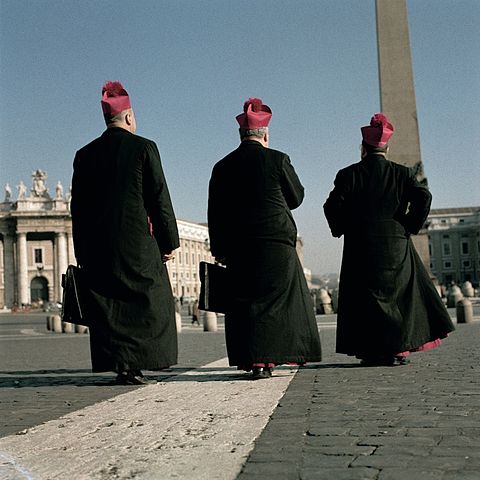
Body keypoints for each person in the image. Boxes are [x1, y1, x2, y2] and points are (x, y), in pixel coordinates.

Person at [323, 113, 455, 366]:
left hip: (360, 244)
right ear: (386, 146)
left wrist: (343, 227)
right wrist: (408, 224)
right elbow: (424, 198)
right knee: (398, 297)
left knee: (366, 299)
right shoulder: (402, 174)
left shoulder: (348, 174)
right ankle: (399, 348)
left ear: (363, 147)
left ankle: (372, 350)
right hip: (395, 242)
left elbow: (331, 206)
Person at [71, 81, 179, 385]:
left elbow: (77, 209)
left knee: (110, 307)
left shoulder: (84, 154)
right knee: (151, 300)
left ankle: (121, 364)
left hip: (98, 246)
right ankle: (138, 362)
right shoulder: (144, 147)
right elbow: (159, 198)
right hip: (137, 243)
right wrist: (168, 242)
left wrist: (82, 252)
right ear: (129, 117)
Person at [208, 98, 322, 379]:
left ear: (240, 134)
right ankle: (273, 357)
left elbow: (215, 213)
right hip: (275, 243)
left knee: (247, 305)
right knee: (278, 304)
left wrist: (219, 250)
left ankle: (254, 360)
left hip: (239, 246)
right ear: (266, 134)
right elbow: (296, 198)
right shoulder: (278, 159)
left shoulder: (221, 167)